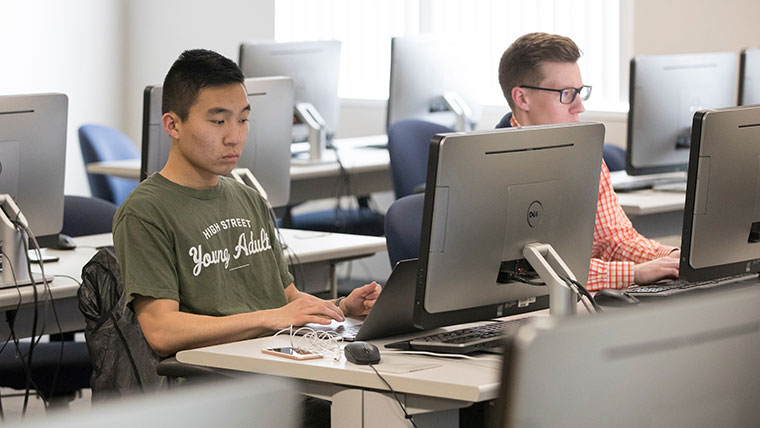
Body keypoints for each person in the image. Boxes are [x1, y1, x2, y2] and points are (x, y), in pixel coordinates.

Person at [113, 49, 381, 359]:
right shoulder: (145, 211)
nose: (235, 137)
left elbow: (287, 299)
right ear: (173, 125)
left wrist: (343, 308)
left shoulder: (248, 198)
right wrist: (269, 318)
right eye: (218, 121)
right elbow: (162, 331)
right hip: (218, 377)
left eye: (243, 120)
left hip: (275, 360)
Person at [496, 32, 680, 290]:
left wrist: (668, 257)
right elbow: (529, 269)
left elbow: (614, 240)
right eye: (566, 94)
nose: (579, 107)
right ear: (522, 98)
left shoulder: (585, 154)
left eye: (580, 92)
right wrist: (633, 273)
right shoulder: (492, 168)